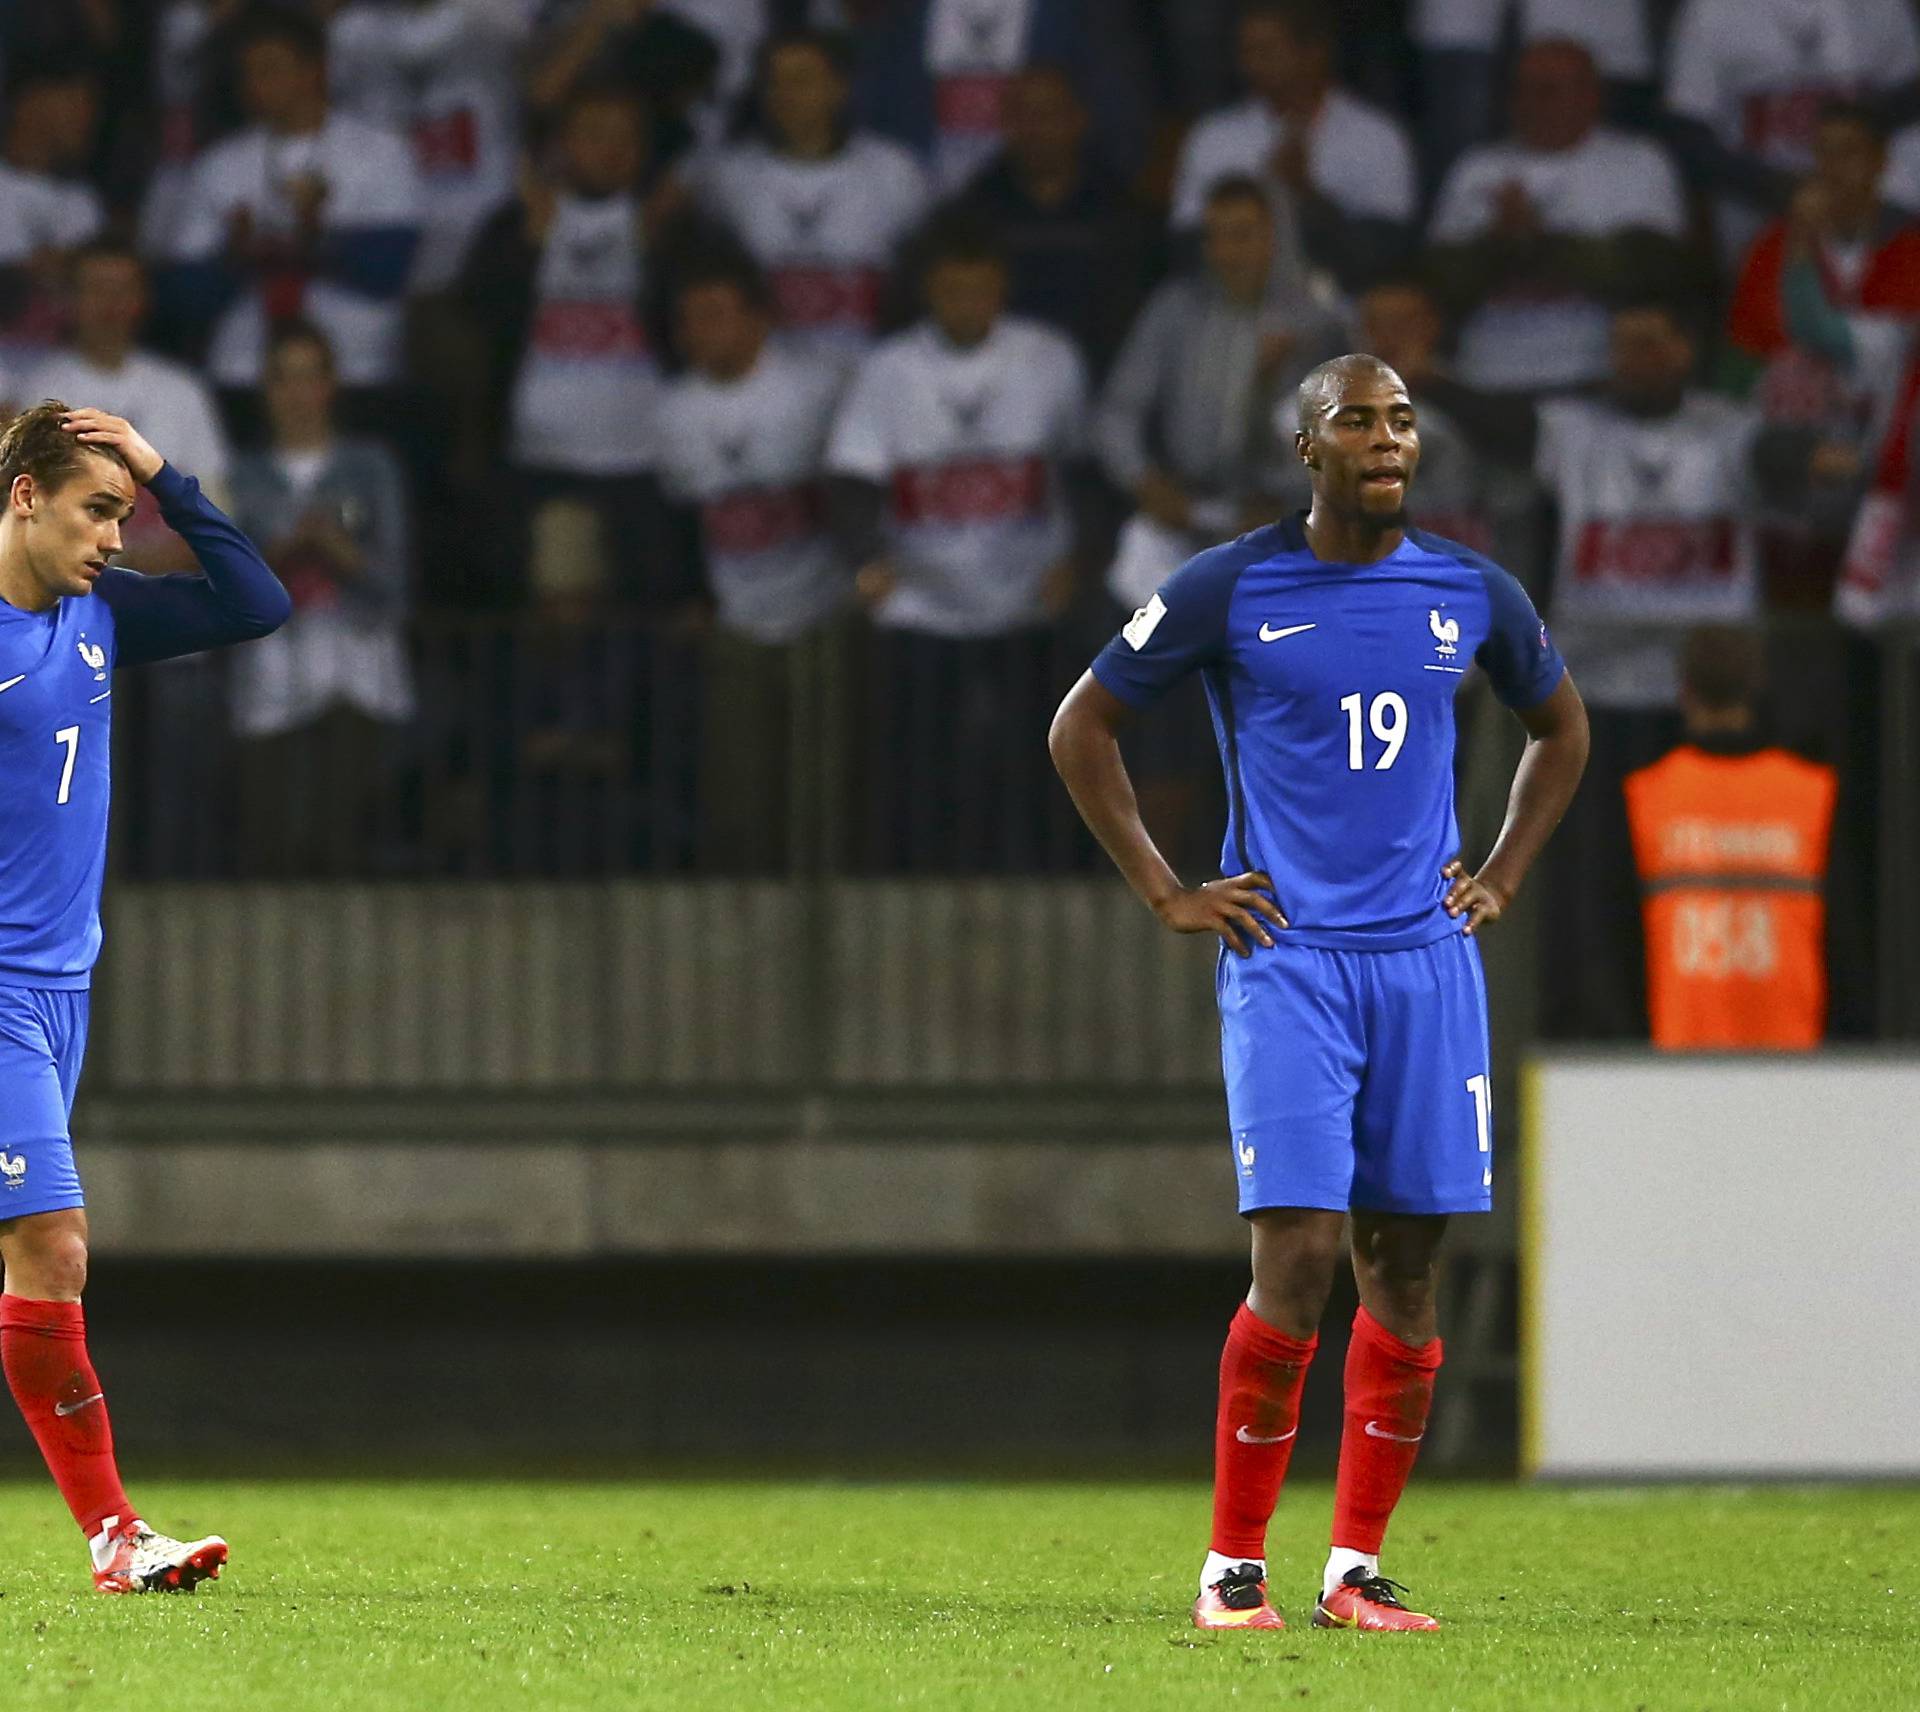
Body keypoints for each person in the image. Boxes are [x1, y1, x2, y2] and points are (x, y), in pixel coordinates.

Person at [1049, 353, 1588, 1631]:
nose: (1388, 439)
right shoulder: (1232, 584)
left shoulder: (1470, 591)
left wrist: (1502, 870)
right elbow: (1083, 725)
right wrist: (1172, 888)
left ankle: (1355, 1567)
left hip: (1426, 965)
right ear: (1308, 448)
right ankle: (1233, 1567)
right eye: (1358, 420)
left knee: (1406, 1264)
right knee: (1296, 1252)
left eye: (1402, 420)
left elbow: (1561, 727)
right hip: (1289, 958)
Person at [0, 400, 289, 1591]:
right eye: (97, 510)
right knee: (53, 1247)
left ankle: (116, 1537)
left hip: (65, 989)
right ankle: (117, 1535)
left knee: (32, 1257)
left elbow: (254, 602)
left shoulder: (100, 618)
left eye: (126, 514)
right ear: (25, 498)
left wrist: (167, 473)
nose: (118, 537)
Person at [827, 217, 1090, 868]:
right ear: (929, 293)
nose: (966, 305)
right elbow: (851, 478)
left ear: (1000, 289)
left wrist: (1077, 559)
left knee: (1035, 764)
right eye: (952, 291)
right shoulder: (890, 369)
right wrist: (867, 560)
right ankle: (917, 888)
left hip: (1027, 602)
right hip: (923, 603)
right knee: (918, 765)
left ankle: (1034, 885)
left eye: (979, 290)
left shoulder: (1046, 358)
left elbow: (1084, 472)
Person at [657, 251, 849, 869]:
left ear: (758, 320)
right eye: (690, 321)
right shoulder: (674, 411)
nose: (701, 333)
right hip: (737, 621)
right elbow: (676, 518)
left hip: (823, 610)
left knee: (825, 785)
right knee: (739, 789)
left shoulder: (814, 389)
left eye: (716, 315)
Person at [157, 8, 423, 412]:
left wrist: (308, 245)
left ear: (315, 71)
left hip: (356, 366)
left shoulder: (381, 153)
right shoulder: (221, 164)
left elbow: (392, 266)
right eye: (248, 73)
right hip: (245, 367)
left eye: (270, 69)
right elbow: (183, 290)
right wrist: (236, 258)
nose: (256, 85)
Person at [228, 321, 416, 877]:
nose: (298, 394)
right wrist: (284, 551)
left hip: (358, 669)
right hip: (270, 674)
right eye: (284, 379)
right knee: (274, 839)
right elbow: (225, 582)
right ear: (267, 388)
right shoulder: (244, 475)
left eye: (310, 378)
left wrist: (338, 549)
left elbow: (397, 579)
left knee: (343, 838)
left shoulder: (370, 467)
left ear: (331, 385)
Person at [1425, 39, 1691, 397]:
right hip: (1486, 377)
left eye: (1547, 91)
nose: (1531, 103)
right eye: (1521, 90)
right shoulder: (1476, 168)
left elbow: (1655, 272)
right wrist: (1498, 244)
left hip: (1597, 377)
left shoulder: (1639, 164)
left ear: (1591, 96)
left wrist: (1535, 243)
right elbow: (1437, 284)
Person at [1623, 626, 1836, 1051]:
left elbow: (1615, 940)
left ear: (1684, 691)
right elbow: (1846, 942)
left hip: (1678, 1053)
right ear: (1757, 687)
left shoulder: (1647, 793)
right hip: (1796, 1054)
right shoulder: (1813, 792)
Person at [691, 27, 929, 365]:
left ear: (838, 87)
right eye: (775, 82)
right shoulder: (728, 180)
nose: (786, 93)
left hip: (867, 377)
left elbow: (922, 285)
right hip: (766, 386)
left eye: (801, 79)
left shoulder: (894, 173)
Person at [1168, 0, 1417, 292]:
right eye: (1246, 51)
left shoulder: (1377, 137)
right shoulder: (1214, 136)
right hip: (1232, 308)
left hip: (1342, 311)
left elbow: (1386, 256)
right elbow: (1184, 248)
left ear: (1314, 54)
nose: (1251, 65)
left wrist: (1305, 197)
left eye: (1267, 51)